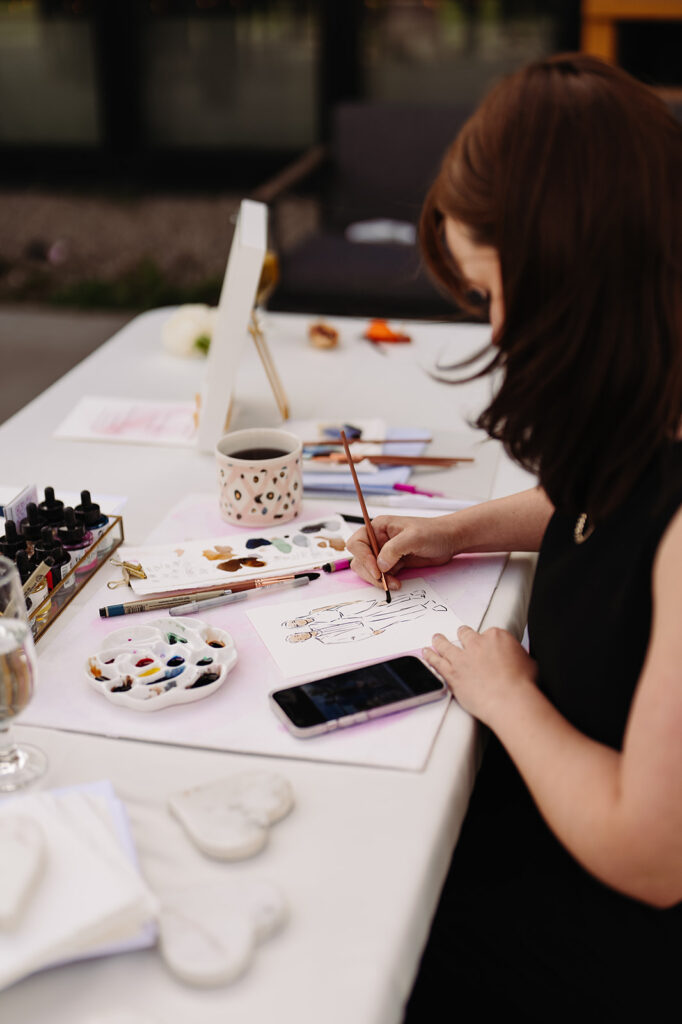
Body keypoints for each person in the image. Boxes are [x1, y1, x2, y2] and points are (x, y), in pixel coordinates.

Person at [347, 54, 682, 1020]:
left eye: (500, 293)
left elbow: (652, 856)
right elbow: (604, 497)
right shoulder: (656, 389)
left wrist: (509, 696)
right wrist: (459, 531)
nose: (494, 327)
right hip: (562, 818)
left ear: (587, 277)